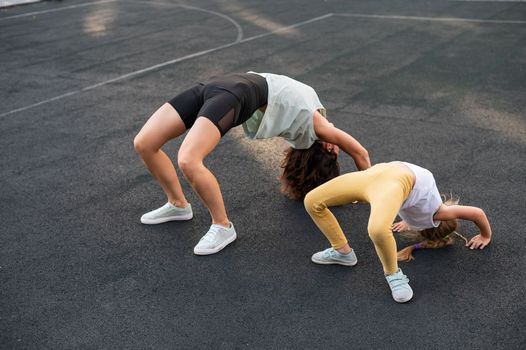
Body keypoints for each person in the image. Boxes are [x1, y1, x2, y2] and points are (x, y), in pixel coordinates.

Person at [134, 72, 371, 255]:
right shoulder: (313, 127)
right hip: (219, 86)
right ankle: (178, 205)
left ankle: (223, 226)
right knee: (144, 143)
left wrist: (369, 192)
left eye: (333, 151)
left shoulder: (319, 127)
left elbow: (359, 152)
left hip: (235, 92)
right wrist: (370, 191)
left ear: (327, 148)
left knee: (188, 159)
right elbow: (360, 154)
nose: (336, 147)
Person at [303, 161, 492, 303]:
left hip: (383, 176)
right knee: (314, 202)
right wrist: (485, 235)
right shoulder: (440, 212)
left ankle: (385, 271)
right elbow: (478, 213)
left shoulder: (416, 217)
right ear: (427, 228)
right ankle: (346, 254)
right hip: (390, 177)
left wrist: (406, 222)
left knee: (313, 201)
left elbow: (412, 210)